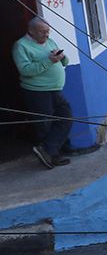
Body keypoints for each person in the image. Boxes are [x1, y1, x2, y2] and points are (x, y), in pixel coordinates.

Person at [12, 16, 72, 169]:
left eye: (47, 31)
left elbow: (65, 62)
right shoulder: (21, 46)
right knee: (44, 125)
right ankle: (50, 156)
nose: (46, 35)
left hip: (54, 89)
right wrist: (49, 61)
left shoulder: (49, 41)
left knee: (66, 117)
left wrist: (62, 58)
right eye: (42, 32)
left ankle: (49, 150)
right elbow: (25, 70)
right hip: (37, 91)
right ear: (31, 31)